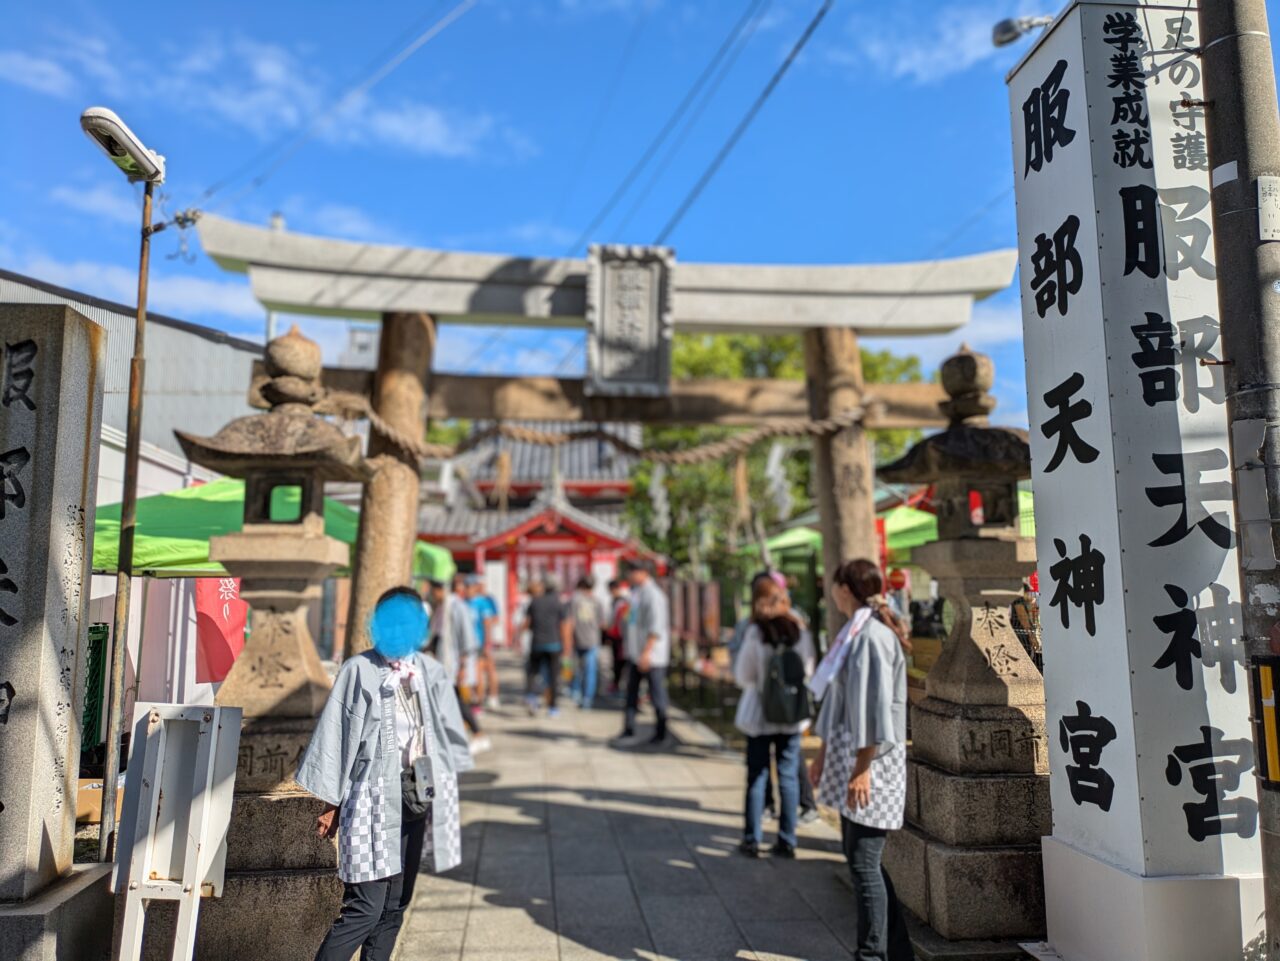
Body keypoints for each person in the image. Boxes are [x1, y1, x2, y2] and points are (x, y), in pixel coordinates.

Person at [299, 586, 473, 961]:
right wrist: (332, 802)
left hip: (414, 796)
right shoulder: (358, 670)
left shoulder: (429, 671)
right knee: (365, 908)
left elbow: (445, 738)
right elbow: (337, 735)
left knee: (395, 905)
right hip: (369, 801)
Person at [810, 559, 913, 961]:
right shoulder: (857, 632)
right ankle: (897, 952)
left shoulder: (869, 636)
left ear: (846, 589)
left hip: (872, 763)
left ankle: (871, 954)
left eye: (834, 585)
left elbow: (874, 709)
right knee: (861, 859)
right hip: (859, 759)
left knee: (864, 863)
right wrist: (822, 752)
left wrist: (862, 768)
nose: (831, 592)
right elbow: (840, 700)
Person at [734, 576, 816, 859]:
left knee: (757, 774)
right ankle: (787, 840)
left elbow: (744, 675)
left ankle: (752, 838)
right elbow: (807, 669)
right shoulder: (799, 631)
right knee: (789, 775)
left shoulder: (756, 632)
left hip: (760, 714)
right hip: (791, 714)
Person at [426, 577, 491, 755]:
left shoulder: (457, 607)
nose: (432, 594)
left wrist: (463, 667)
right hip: (443, 662)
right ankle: (462, 737)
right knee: (451, 702)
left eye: (434, 590)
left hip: (454, 663)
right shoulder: (441, 608)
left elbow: (467, 640)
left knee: (458, 701)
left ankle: (478, 733)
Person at [620, 560, 670, 746]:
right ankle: (629, 728)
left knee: (657, 694)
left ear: (642, 572)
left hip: (651, 656)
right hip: (637, 653)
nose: (629, 576)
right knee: (631, 692)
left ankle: (661, 732)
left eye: (632, 571)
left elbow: (656, 628)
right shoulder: (637, 593)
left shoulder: (654, 595)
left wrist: (647, 653)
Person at [523, 575, 567, 716]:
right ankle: (552, 707)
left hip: (537, 643)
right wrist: (566, 645)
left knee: (533, 673)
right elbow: (563, 625)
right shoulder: (558, 602)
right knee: (553, 677)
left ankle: (531, 697)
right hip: (554, 644)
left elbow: (528, 623)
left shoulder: (535, 601)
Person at [565, 576, 607, 709]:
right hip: (593, 639)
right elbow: (602, 623)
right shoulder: (597, 601)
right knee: (590, 671)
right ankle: (587, 699)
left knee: (576, 669)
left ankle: (575, 693)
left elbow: (569, 621)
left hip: (577, 639)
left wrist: (567, 640)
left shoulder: (574, 601)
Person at [466, 574, 502, 709]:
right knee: (476, 672)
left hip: (482, 642)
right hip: (470, 644)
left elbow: (492, 620)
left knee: (488, 669)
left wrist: (487, 643)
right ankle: (477, 699)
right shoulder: (465, 601)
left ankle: (492, 696)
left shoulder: (487, 600)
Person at [604, 578, 631, 694]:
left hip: (621, 636)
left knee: (620, 661)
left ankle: (618, 684)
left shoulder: (623, 601)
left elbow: (624, 619)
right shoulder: (614, 601)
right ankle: (616, 683)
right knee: (616, 661)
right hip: (615, 635)